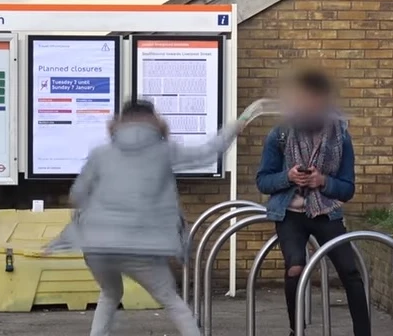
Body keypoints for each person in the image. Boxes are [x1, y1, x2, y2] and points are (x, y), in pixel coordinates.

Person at [45, 99, 259, 336]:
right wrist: (234, 127)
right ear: (155, 121)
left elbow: (76, 195)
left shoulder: (101, 153)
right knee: (171, 301)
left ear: (119, 122)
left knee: (110, 293)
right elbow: (207, 153)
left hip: (96, 246)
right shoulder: (164, 151)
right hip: (139, 245)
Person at [255, 68, 370, 336]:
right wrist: (289, 176)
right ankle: (297, 330)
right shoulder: (280, 135)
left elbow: (347, 189)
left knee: (350, 272)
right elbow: (263, 181)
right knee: (295, 266)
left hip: (326, 212)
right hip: (290, 212)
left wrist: (322, 181)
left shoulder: (341, 136)